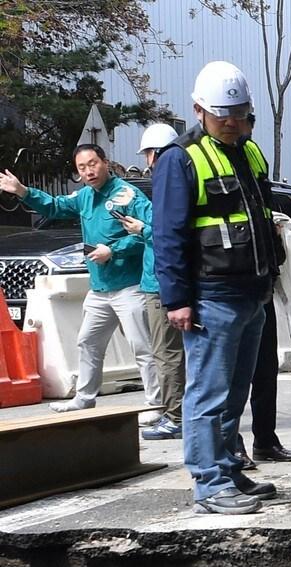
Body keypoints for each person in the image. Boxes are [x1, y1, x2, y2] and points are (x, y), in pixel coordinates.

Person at [152, 60, 284, 514]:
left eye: (240, 113)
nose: (232, 122)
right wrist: (177, 299)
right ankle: (209, 482)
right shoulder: (180, 159)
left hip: (253, 291)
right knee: (208, 393)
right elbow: (168, 235)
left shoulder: (249, 151)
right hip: (212, 294)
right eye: (222, 114)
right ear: (199, 110)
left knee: (234, 391)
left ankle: (228, 468)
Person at [1, 145, 160, 420]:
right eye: (82, 168)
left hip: (129, 286)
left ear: (105, 162)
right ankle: (84, 399)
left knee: (142, 346)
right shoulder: (85, 196)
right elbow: (55, 207)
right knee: (88, 341)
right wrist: (23, 191)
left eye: (93, 164)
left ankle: (155, 404)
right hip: (99, 288)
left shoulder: (128, 194)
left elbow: (149, 233)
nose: (89, 171)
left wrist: (113, 250)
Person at [119, 123, 185, 441]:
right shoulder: (179, 180)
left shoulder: (166, 185)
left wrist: (141, 230)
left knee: (166, 353)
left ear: (156, 153)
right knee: (176, 352)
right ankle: (183, 413)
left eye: (147, 153)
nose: (146, 161)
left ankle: (175, 417)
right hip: (163, 281)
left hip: (161, 283)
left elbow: (167, 235)